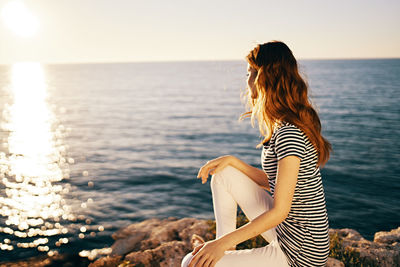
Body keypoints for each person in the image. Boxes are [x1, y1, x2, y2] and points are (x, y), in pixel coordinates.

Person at [181, 41, 332, 267]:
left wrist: (218, 245)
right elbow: (276, 182)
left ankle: (222, 248)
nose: (247, 79)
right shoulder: (284, 125)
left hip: (300, 254)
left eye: (251, 73)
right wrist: (233, 162)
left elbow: (280, 210)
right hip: (288, 233)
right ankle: (225, 249)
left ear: (264, 78)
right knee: (224, 174)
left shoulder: (289, 134)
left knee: (190, 263)